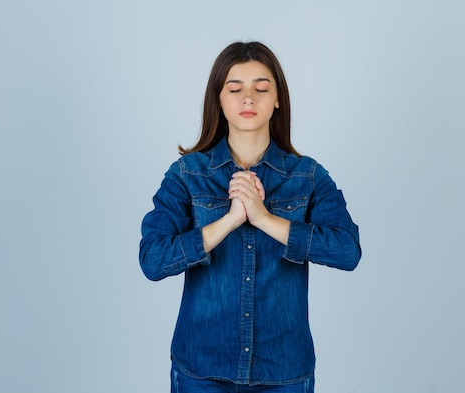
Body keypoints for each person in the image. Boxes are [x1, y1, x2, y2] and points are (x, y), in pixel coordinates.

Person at [139, 41, 362, 392]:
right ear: (219, 99)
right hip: (201, 370)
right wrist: (229, 220)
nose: (248, 98)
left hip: (283, 372)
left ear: (277, 100)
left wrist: (263, 218)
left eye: (261, 88)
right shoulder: (187, 174)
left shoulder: (307, 176)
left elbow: (348, 251)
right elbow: (152, 260)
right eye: (235, 89)